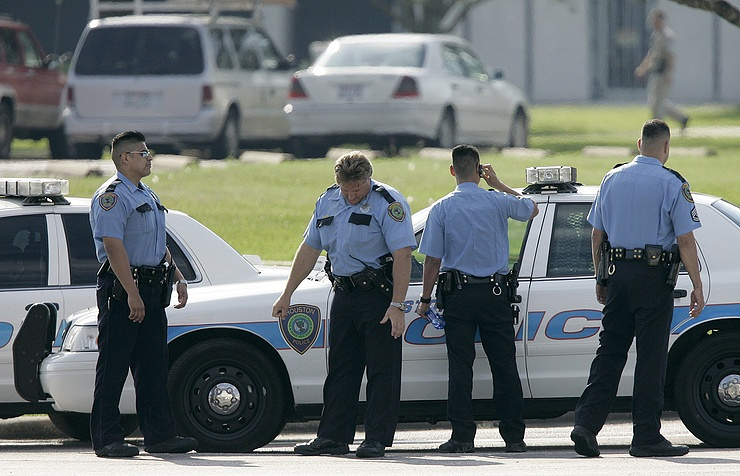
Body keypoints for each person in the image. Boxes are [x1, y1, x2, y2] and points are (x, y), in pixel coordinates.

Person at [570, 119, 704, 458]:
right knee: (651, 357)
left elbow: (596, 234)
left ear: (639, 143)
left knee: (610, 351)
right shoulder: (672, 183)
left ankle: (585, 424)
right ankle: (645, 436)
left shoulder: (611, 178)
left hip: (616, 274)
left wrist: (600, 277)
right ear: (666, 147)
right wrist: (697, 286)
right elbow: (685, 241)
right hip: (653, 278)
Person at [272, 151, 415, 458]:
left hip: (377, 295)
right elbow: (310, 248)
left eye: (357, 189)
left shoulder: (387, 203)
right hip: (344, 293)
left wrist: (397, 305)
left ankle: (376, 438)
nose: (351, 196)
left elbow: (403, 255)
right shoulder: (328, 201)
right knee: (341, 368)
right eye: (346, 189)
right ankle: (333, 436)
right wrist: (287, 294)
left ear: (368, 179)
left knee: (381, 369)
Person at [416, 144, 538, 454]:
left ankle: (462, 437)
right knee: (504, 365)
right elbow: (530, 208)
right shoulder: (496, 200)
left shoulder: (441, 208)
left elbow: (432, 260)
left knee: (460, 367)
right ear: (480, 170)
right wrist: (498, 183)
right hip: (495, 295)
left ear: (453, 170)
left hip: (458, 297)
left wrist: (425, 299)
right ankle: (514, 437)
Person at [89, 131, 198, 458]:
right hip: (123, 289)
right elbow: (113, 246)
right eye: (143, 152)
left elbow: (155, 242)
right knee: (114, 366)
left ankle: (160, 436)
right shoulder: (112, 196)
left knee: (153, 366)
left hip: (152, 288)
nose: (149, 157)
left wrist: (177, 275)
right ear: (125, 159)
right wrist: (132, 294)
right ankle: (107, 438)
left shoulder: (145, 194)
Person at [635, 8, 689, 131]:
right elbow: (651, 55)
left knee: (657, 104)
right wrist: (642, 68)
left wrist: (668, 73)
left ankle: (657, 131)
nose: (654, 23)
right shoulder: (656, 35)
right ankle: (681, 118)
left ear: (662, 20)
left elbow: (671, 56)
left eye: (656, 20)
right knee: (656, 102)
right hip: (655, 73)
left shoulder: (666, 35)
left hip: (663, 73)